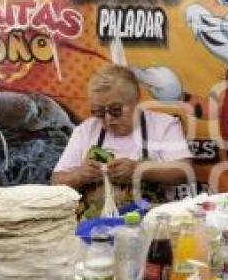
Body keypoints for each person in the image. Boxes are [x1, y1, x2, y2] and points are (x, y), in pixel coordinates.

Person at [51, 65, 193, 218]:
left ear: (135, 100)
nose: (108, 119)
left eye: (115, 110)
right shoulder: (85, 131)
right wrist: (79, 175)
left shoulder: (164, 125)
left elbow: (183, 171)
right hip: (96, 228)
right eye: (98, 112)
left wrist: (139, 170)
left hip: (151, 223)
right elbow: (56, 182)